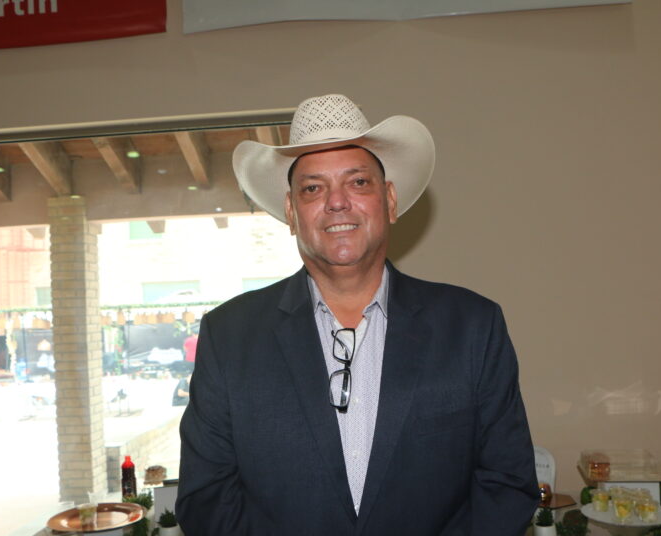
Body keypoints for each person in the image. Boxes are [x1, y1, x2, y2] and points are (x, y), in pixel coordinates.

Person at [176, 94, 538, 535]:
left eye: (358, 182)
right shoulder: (229, 336)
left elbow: (507, 484)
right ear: (291, 212)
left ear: (389, 200)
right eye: (313, 188)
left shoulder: (473, 327)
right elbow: (206, 498)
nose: (336, 202)